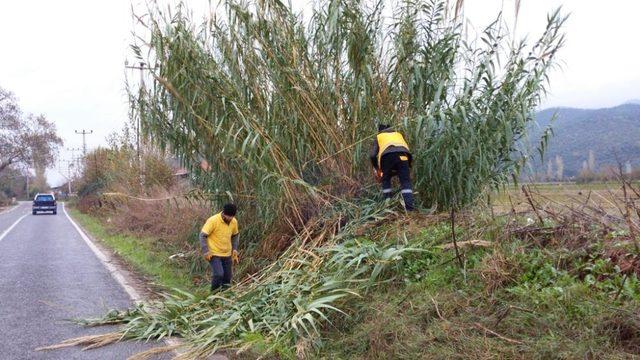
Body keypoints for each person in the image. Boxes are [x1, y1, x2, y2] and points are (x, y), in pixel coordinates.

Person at [370, 124, 415, 211]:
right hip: (404, 157)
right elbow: (405, 149)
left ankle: (388, 207)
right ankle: (410, 208)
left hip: (387, 158)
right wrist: (408, 166)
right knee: (405, 181)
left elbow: (372, 155)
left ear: (379, 131)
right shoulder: (398, 134)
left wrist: (377, 168)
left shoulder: (379, 136)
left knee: (385, 179)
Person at [199, 203, 240, 291]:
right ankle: (213, 295)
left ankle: (224, 297)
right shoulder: (213, 220)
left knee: (227, 278)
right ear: (224, 213)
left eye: (232, 216)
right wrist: (205, 251)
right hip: (213, 253)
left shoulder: (234, 222)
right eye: (228, 216)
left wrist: (235, 249)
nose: (230, 218)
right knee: (218, 274)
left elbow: (235, 235)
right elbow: (202, 235)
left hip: (227, 254)